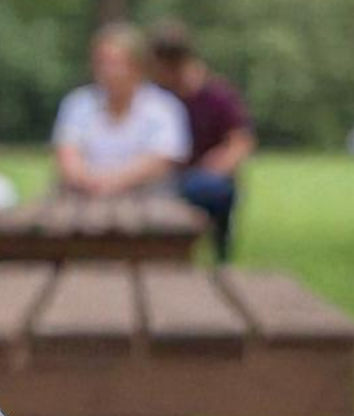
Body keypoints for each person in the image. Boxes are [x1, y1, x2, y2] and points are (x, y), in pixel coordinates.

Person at [148, 19, 255, 261]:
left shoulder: (217, 95)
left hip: (202, 175)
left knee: (211, 189)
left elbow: (241, 141)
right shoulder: (156, 96)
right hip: (163, 174)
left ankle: (220, 253)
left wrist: (217, 164)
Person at [52, 23, 191, 196]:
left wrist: (112, 182)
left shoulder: (164, 107)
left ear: (138, 66)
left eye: (115, 63)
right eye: (101, 62)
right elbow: (67, 156)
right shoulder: (77, 103)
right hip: (83, 196)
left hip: (149, 198)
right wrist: (90, 182)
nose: (107, 71)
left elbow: (162, 161)